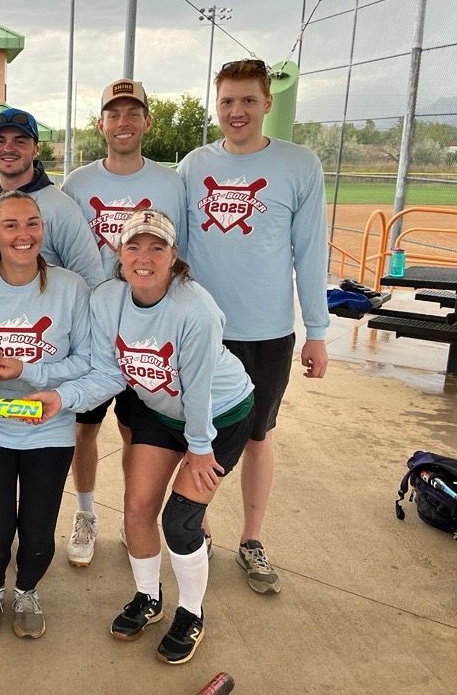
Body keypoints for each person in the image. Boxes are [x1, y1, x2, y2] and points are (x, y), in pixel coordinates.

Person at [30, 208, 255, 664]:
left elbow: (198, 389)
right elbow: (108, 372)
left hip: (219, 415)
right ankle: (148, 598)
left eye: (157, 246)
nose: (145, 256)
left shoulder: (195, 309)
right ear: (119, 253)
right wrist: (61, 396)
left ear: (174, 256)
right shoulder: (109, 298)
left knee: (181, 521)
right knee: (136, 511)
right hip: (158, 411)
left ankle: (191, 613)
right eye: (134, 245)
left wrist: (198, 447)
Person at [178, 59, 329, 594]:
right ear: (215, 106)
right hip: (201, 329)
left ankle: (252, 539)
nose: (236, 111)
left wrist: (317, 330)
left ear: (267, 103)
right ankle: (198, 527)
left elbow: (310, 252)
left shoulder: (299, 165)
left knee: (258, 436)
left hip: (266, 330)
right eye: (226, 101)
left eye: (247, 101)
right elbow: (177, 245)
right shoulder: (194, 165)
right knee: (199, 434)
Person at [60, 79, 188, 567]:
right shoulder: (79, 183)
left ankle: (139, 515)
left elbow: (181, 254)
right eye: (114, 114)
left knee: (141, 431)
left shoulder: (169, 183)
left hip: (148, 328)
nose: (123, 122)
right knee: (85, 429)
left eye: (133, 113)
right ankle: (87, 513)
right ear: (101, 124)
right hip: (94, 327)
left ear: (147, 123)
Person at [0, 191, 91, 640]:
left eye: (32, 223)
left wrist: (32, 374)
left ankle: (28, 590)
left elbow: (85, 362)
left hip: (48, 429)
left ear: (43, 230)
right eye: (10, 225)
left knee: (36, 533)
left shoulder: (70, 288)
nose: (23, 234)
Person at [0, 108, 104, 289]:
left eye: (19, 141)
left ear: (36, 149)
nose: (8, 148)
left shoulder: (61, 208)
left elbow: (90, 279)